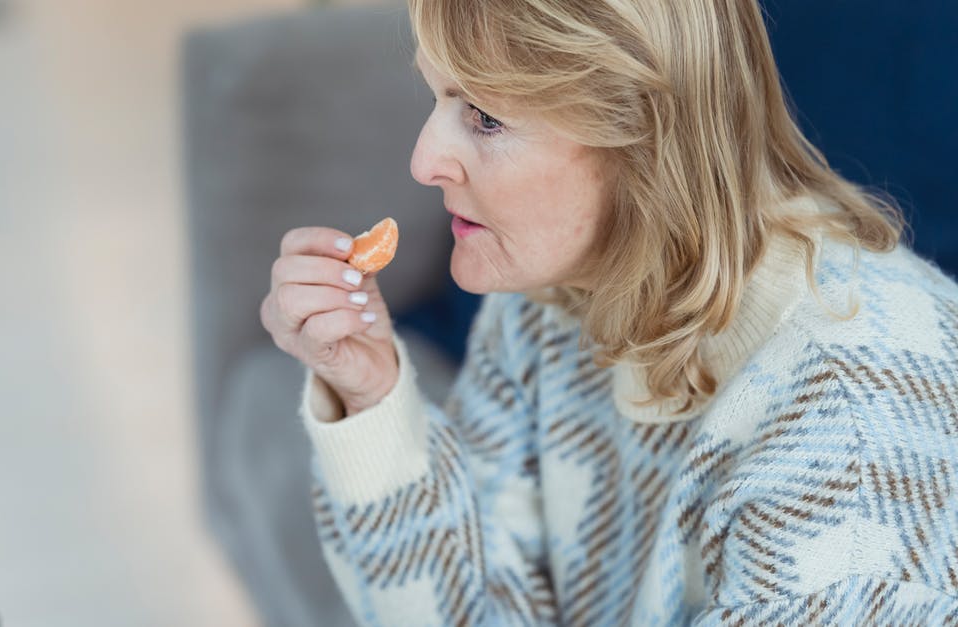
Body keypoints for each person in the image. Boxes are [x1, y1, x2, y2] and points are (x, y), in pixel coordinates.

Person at [258, 0, 958, 624]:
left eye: (485, 116)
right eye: (437, 96)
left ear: (645, 138)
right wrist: (371, 392)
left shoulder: (858, 443)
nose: (424, 160)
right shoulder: (551, 302)